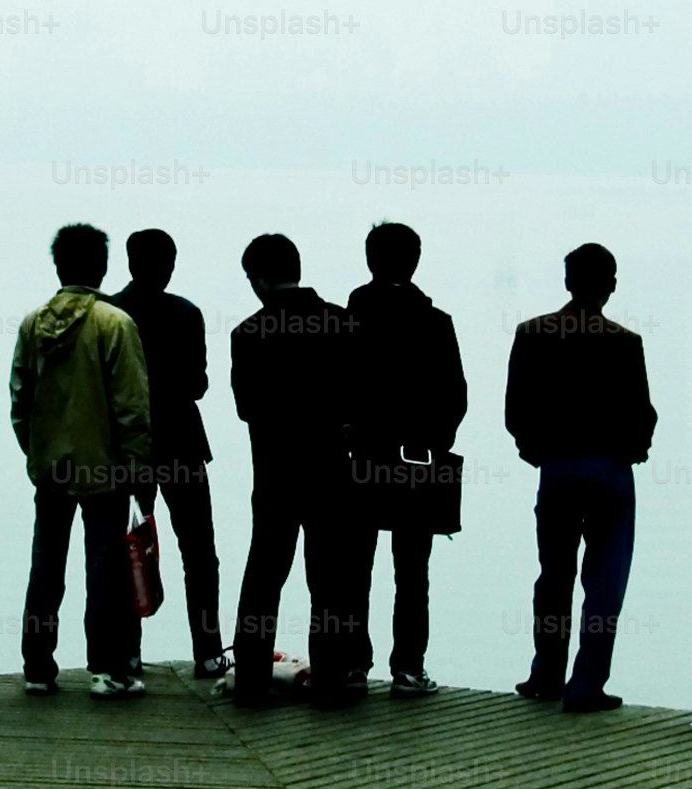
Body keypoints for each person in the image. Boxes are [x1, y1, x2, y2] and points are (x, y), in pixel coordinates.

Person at [504, 243, 655, 714]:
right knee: (605, 582)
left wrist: (536, 452)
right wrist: (635, 450)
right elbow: (642, 413)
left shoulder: (533, 334)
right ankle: (587, 683)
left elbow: (516, 409)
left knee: (554, 575)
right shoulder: (625, 343)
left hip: (558, 470)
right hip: (611, 472)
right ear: (612, 284)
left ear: (568, 281)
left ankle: (546, 673)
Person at [12, 223, 156, 698]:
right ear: (103, 265)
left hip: (51, 467)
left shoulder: (32, 324)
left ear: (58, 266)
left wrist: (37, 451)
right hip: (105, 468)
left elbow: (20, 399)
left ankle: (37, 667)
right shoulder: (115, 323)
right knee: (105, 570)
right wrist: (136, 464)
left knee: (45, 568)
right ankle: (106, 668)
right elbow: (132, 405)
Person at [228, 233, 362, 707]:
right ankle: (331, 681)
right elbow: (359, 398)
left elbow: (246, 408)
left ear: (259, 279)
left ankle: (250, 680)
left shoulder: (247, 333)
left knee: (263, 578)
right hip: (330, 472)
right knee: (330, 581)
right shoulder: (343, 324)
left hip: (274, 474)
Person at [342, 220, 467, 697]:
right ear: (415, 262)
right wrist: (432, 440)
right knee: (412, 570)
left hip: (359, 457)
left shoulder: (347, 319)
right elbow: (455, 395)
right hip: (415, 461)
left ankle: (353, 665)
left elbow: (334, 388)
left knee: (354, 567)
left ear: (369, 260)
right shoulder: (435, 322)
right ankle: (409, 668)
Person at [111, 228, 231, 682]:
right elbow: (197, 384)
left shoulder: (111, 312)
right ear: (171, 264)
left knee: (131, 549)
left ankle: (127, 652)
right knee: (199, 551)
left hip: (130, 447)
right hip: (182, 444)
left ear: (130, 262)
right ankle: (208, 651)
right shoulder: (186, 313)